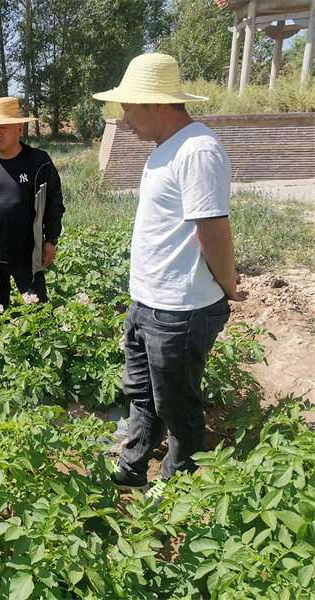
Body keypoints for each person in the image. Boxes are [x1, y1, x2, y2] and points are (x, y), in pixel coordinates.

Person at [92, 54, 248, 499]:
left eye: (127, 107)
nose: (123, 119)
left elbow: (215, 235)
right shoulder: (168, 148)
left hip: (180, 308)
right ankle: (133, 467)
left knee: (178, 407)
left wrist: (228, 286)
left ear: (156, 104)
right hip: (148, 302)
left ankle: (176, 488)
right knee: (142, 395)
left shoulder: (198, 149)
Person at [0, 97, 64, 314]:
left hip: (28, 255)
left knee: (39, 314)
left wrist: (51, 240)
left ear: (19, 129)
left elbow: (55, 204)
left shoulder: (39, 163)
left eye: (3, 127)